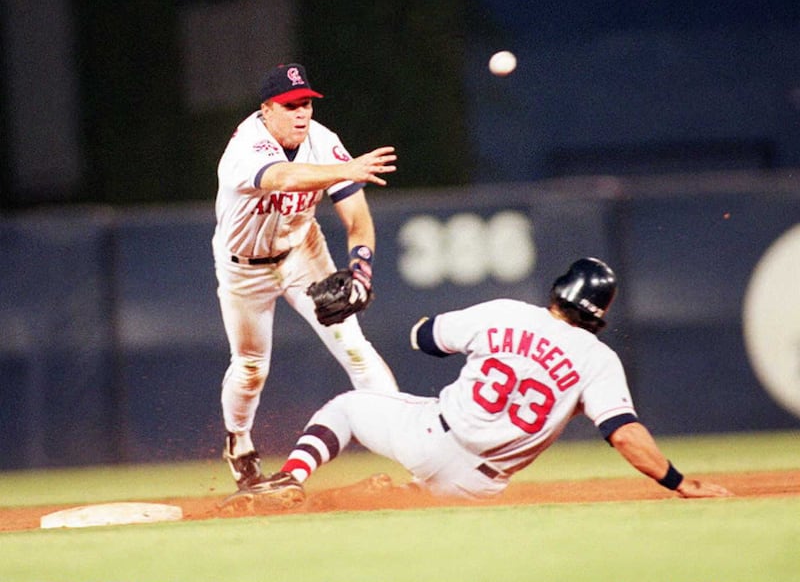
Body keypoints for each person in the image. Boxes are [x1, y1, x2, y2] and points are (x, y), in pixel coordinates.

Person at [245, 257, 732, 508]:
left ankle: (291, 480)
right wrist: (679, 481)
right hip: (479, 487)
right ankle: (403, 494)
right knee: (420, 505)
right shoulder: (597, 360)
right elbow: (624, 434)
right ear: (599, 314)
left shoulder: (505, 312)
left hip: (431, 436)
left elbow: (423, 337)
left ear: (558, 290)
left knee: (348, 408)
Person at [212, 63, 399, 506]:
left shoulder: (323, 141)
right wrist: (345, 169)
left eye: (307, 104)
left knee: (355, 347)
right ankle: (239, 444)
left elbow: (357, 218)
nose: (301, 113)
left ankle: (411, 446)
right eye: (290, 105)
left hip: (302, 252)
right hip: (245, 267)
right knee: (251, 367)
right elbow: (282, 177)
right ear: (266, 110)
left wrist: (361, 269)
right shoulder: (248, 145)